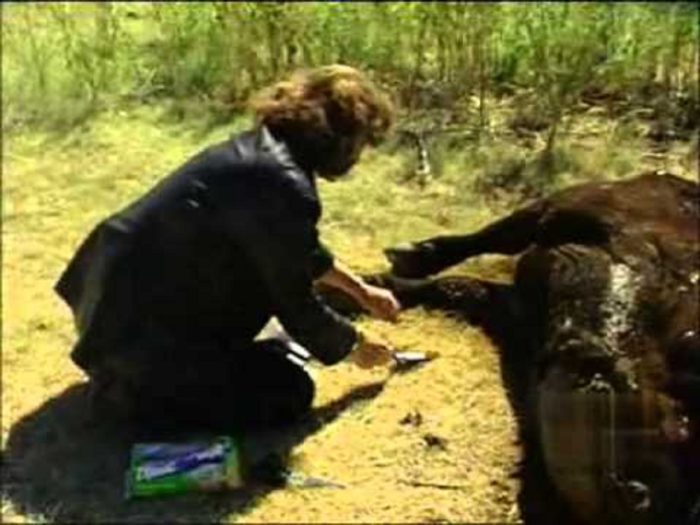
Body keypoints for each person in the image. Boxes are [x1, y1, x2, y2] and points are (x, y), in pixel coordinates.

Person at [55, 65, 401, 434]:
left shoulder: (257, 153)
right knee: (290, 391)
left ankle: (135, 377)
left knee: (268, 354)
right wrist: (355, 347)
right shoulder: (282, 183)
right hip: (141, 337)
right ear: (341, 138)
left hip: (112, 310)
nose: (358, 156)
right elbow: (295, 301)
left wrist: (360, 291)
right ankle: (134, 400)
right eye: (362, 144)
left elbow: (297, 248)